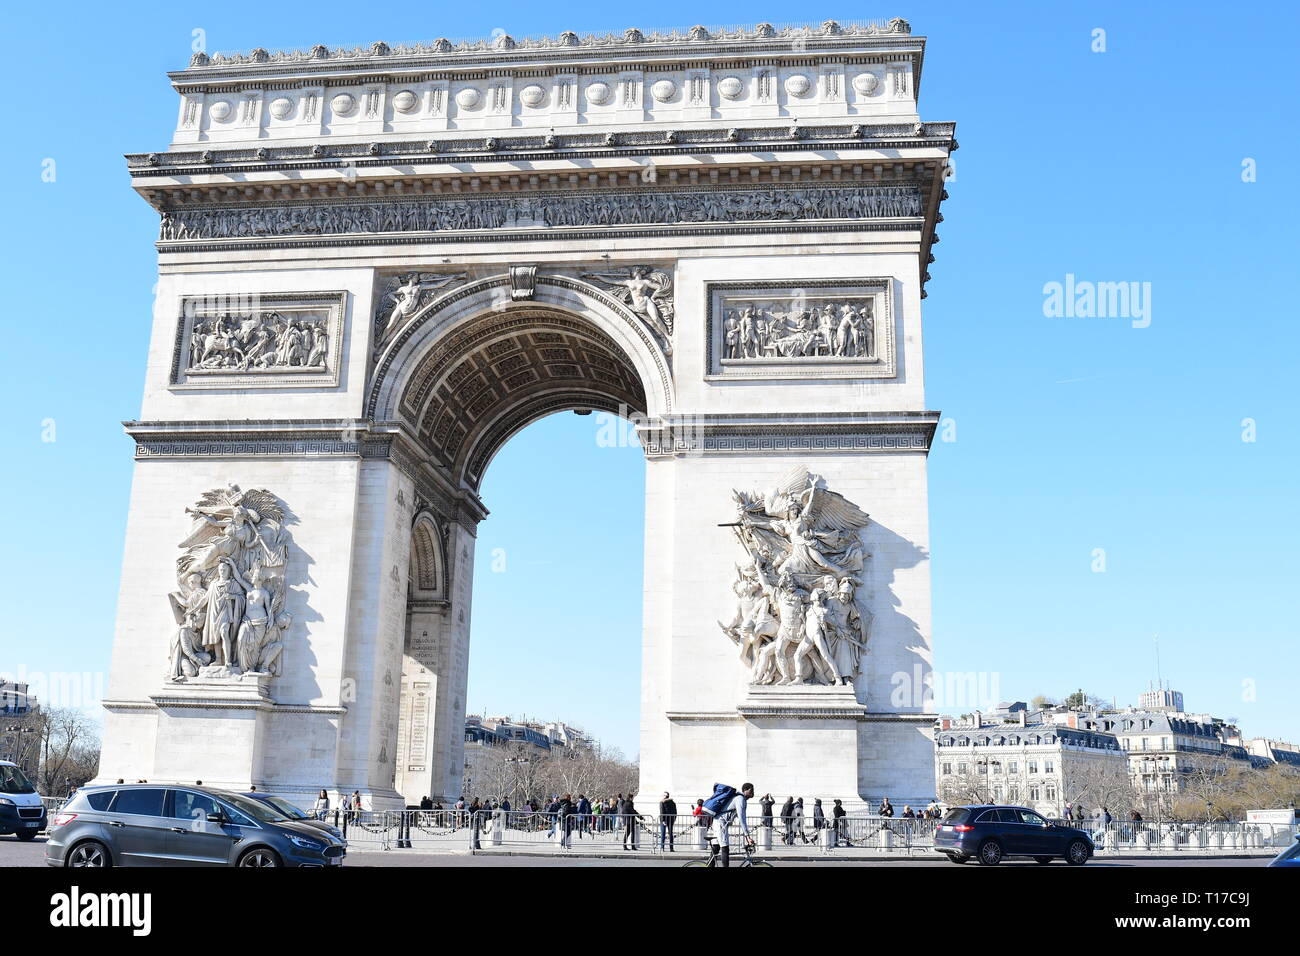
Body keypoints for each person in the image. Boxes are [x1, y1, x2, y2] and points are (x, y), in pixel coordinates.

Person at [700, 783, 755, 867]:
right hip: (720, 823)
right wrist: (747, 836)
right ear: (748, 790)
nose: (753, 792)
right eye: (752, 790)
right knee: (725, 848)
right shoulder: (740, 799)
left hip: (718, 822)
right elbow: (742, 818)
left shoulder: (739, 798)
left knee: (716, 848)